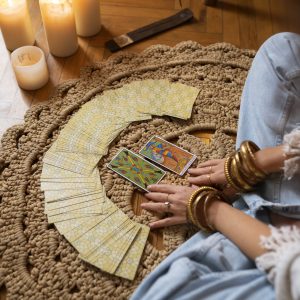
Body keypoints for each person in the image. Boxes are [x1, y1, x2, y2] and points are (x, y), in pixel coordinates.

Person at [131, 32, 300, 300]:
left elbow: (291, 267)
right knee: (284, 54)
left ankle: (253, 213)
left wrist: (209, 209)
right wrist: (253, 164)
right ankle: (254, 209)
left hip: (283, 270)